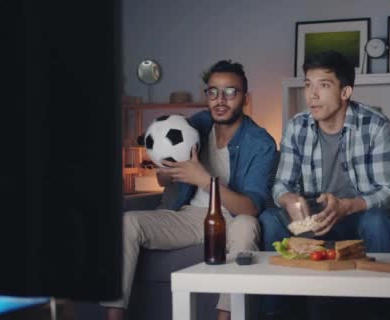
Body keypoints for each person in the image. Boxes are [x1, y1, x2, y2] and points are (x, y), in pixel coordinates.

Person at [101, 60, 277, 320]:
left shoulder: (260, 143)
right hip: (189, 217)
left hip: (231, 218)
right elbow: (166, 179)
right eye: (213, 92)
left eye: (230, 92)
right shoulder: (197, 124)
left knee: (247, 225)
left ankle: (224, 317)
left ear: (244, 97)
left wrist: (206, 180)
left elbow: (251, 207)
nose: (220, 100)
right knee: (127, 222)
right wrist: (166, 173)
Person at [260, 51, 390, 319]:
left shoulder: (375, 125)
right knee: (269, 219)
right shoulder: (297, 126)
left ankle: (384, 309)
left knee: (379, 221)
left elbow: (389, 192)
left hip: (356, 215)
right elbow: (281, 184)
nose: (312, 95)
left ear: (345, 91)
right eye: (307, 84)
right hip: (312, 218)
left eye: (323, 85)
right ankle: (275, 312)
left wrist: (348, 206)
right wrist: (289, 198)